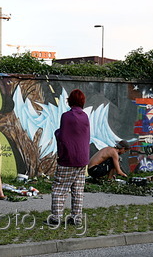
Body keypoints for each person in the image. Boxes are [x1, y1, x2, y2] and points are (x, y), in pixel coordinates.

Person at [47, 89, 90, 227]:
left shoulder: (66, 116)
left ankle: (56, 217)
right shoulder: (85, 117)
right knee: (77, 189)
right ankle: (76, 218)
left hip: (68, 159)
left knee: (59, 188)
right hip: (82, 159)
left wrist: (56, 133)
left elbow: (63, 137)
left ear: (69, 101)